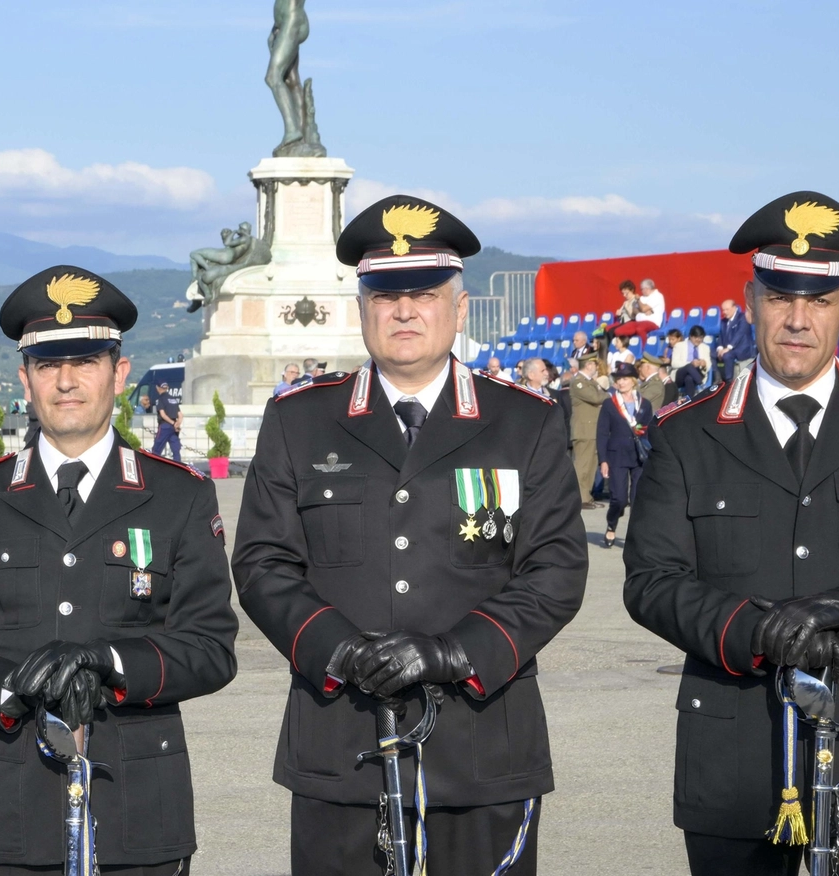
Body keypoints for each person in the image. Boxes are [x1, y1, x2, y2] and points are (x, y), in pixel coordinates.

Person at [233, 194, 586, 875]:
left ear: (458, 307)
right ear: (361, 307)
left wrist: (456, 653)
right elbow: (262, 564)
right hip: (342, 737)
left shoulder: (524, 422)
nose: (402, 311)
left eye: (423, 294)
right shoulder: (299, 422)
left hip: (483, 740)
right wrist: (340, 652)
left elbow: (556, 570)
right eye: (384, 295)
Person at [0, 264, 238, 876]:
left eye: (85, 361)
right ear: (24, 380)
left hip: (138, 808)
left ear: (120, 373)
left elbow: (211, 646)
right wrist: (14, 684)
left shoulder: (178, 496)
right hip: (12, 806)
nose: (65, 380)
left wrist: (112, 664)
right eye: (47, 363)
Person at [623, 190, 839, 875]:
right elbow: (651, 580)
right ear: (751, 300)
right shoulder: (688, 434)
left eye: (820, 301)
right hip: (734, 751)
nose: (798, 320)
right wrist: (753, 629)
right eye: (780, 298)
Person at [597, 361, 651, 548]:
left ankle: (636, 536)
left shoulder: (645, 404)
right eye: (618, 379)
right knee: (619, 498)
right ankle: (611, 525)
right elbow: (602, 433)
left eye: (625, 379)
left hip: (639, 457)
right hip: (616, 456)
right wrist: (603, 460)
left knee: (638, 499)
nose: (621, 382)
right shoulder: (609, 404)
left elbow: (649, 431)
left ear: (634, 380)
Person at [569, 357, 608, 508]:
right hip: (584, 430)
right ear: (588, 365)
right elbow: (596, 397)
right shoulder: (578, 381)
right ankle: (580, 497)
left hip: (592, 430)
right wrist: (608, 396)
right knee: (583, 465)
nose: (596, 367)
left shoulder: (590, 381)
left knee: (591, 465)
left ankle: (586, 495)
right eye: (594, 364)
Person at [714, 297, 756, 383]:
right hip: (727, 349)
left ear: (734, 308)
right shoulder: (723, 321)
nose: (724, 312)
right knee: (712, 354)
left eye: (727, 309)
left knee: (727, 356)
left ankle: (729, 381)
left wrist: (728, 348)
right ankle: (717, 378)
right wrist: (720, 348)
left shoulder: (742, 318)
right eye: (723, 310)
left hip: (741, 349)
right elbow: (721, 335)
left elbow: (739, 334)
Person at [151, 379, 182, 462]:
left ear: (157, 387)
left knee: (156, 449)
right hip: (174, 428)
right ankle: (178, 468)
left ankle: (153, 468)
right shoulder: (173, 399)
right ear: (167, 387)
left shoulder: (160, 399)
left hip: (165, 426)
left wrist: (173, 423)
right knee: (176, 450)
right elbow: (180, 415)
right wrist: (177, 424)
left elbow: (163, 414)